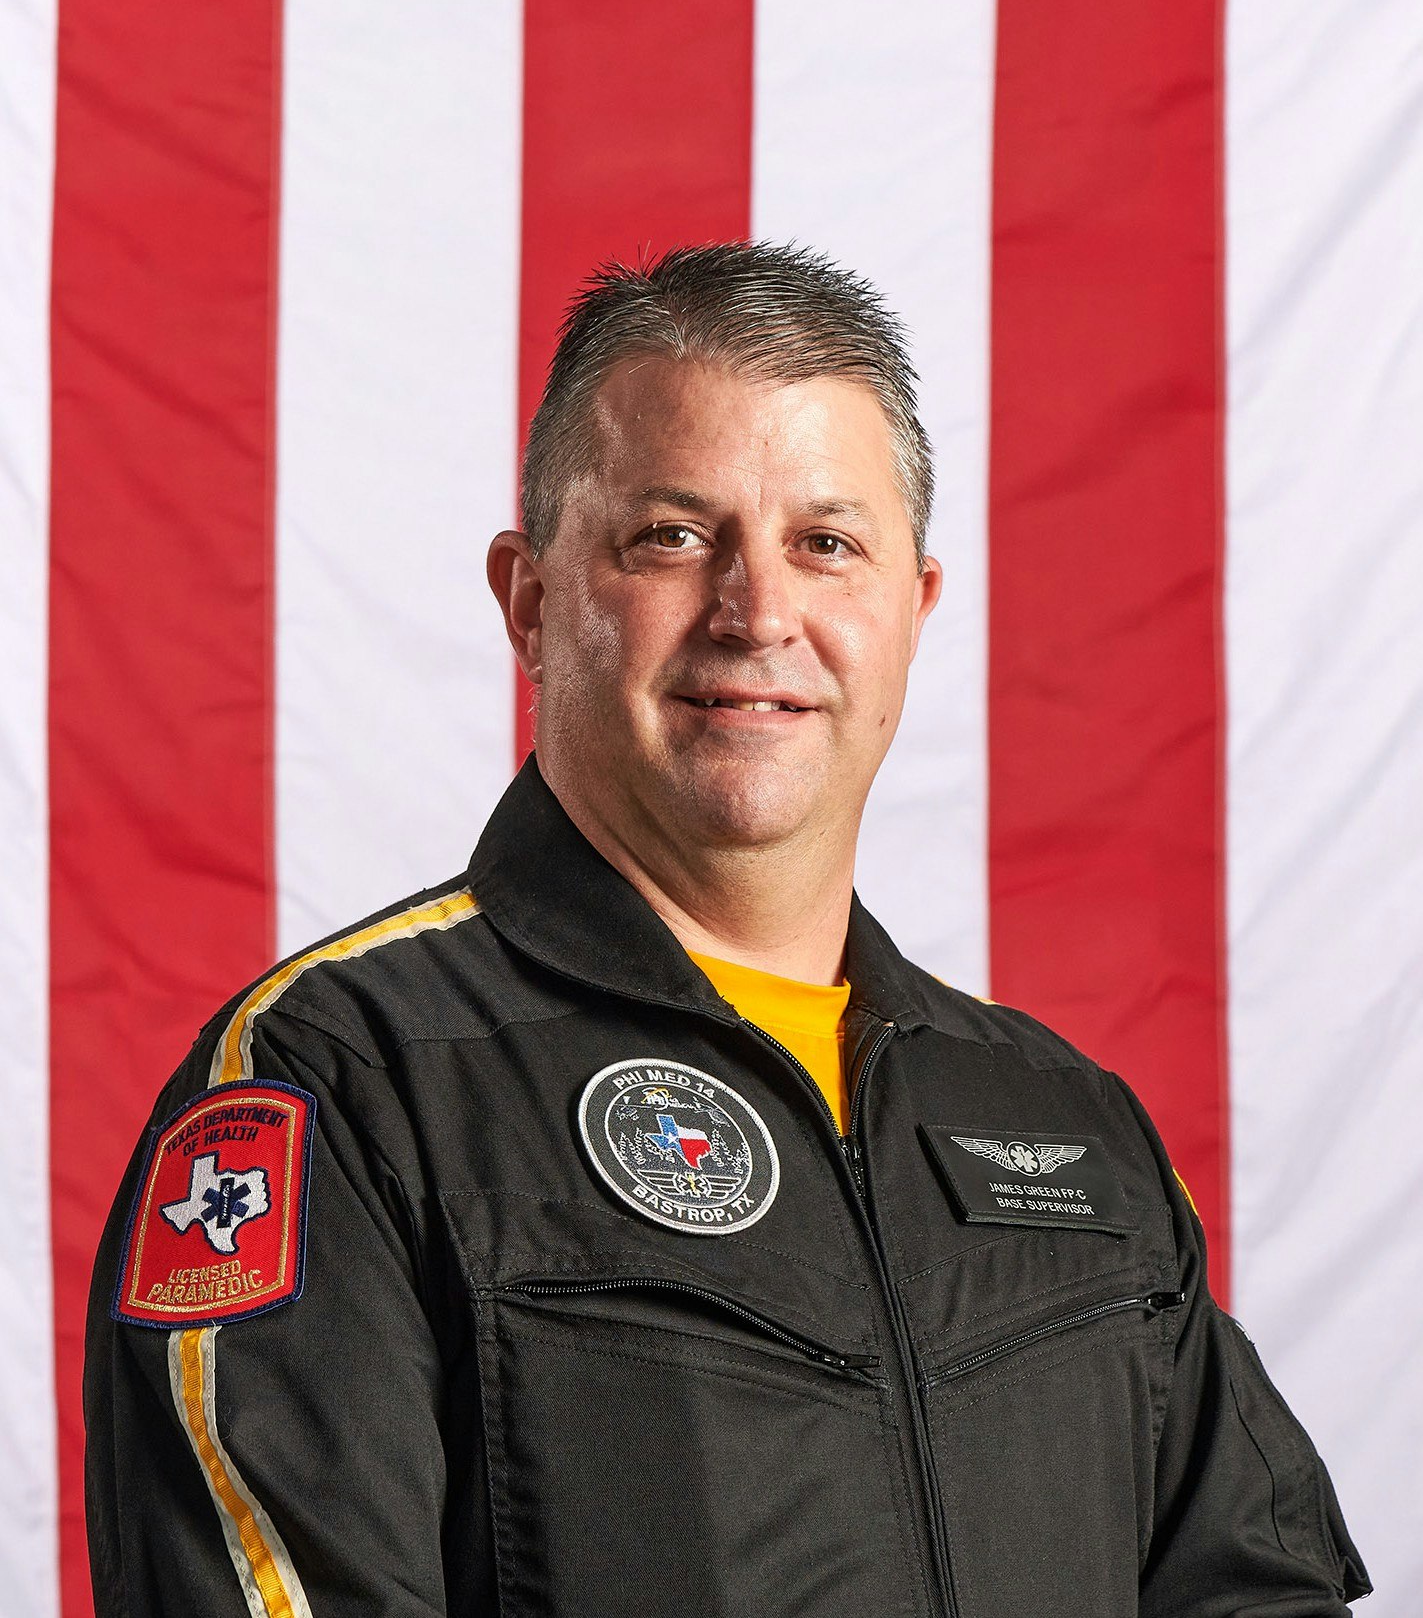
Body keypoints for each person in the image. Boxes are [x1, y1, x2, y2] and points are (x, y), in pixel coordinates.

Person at [85, 242, 1370, 1617]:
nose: (759, 613)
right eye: (674, 535)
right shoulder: (339, 1086)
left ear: (913, 611)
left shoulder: (1069, 1122)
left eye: (827, 542)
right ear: (529, 599)